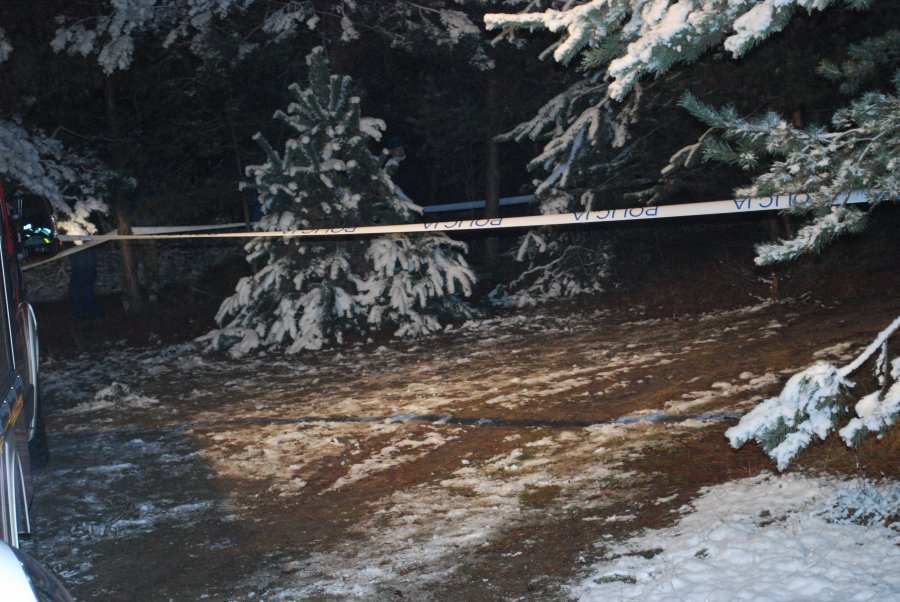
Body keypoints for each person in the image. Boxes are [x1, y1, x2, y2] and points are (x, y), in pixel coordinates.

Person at [69, 245, 102, 319]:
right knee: (86, 280)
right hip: (83, 248)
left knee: (79, 280)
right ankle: (89, 311)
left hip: (79, 248)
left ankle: (78, 311)